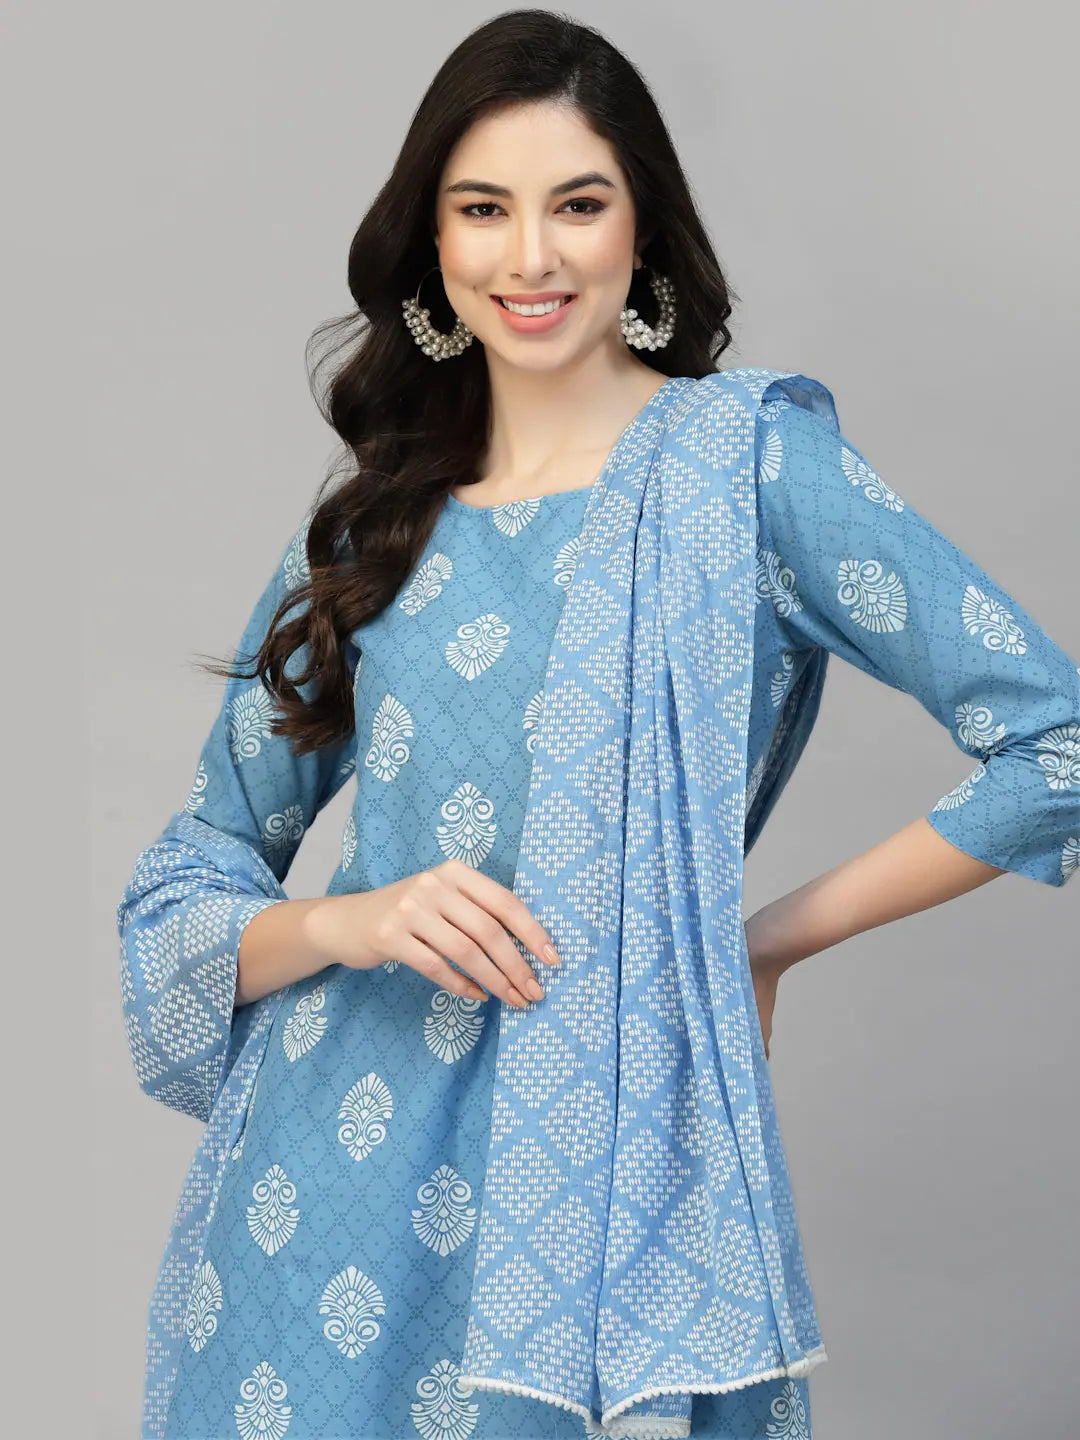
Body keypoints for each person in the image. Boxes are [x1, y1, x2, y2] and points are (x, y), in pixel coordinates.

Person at [116, 11, 1080, 1440]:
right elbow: (188, 883)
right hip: (319, 1198)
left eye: (578, 204)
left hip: (612, 1187)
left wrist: (759, 944)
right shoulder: (382, 517)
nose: (532, 257)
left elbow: (1058, 747)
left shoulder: (750, 470)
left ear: (644, 228)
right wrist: (351, 922)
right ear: (431, 240)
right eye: (482, 209)